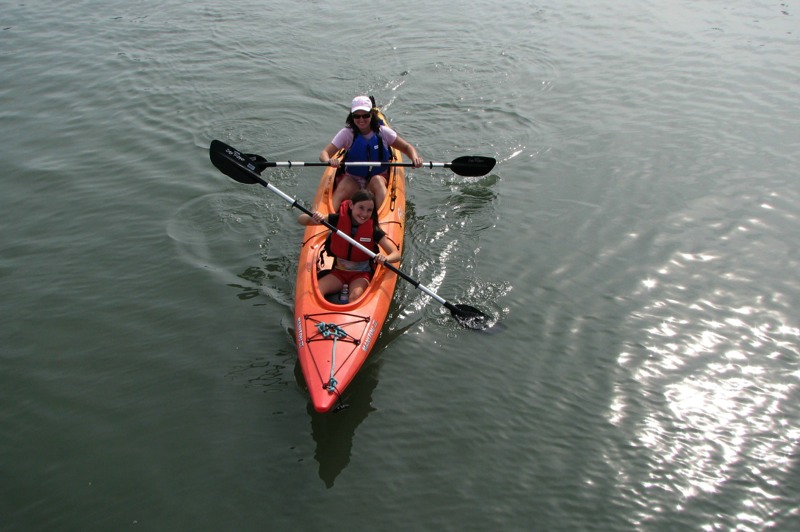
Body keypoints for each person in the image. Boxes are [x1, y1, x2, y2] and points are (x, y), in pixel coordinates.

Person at [320, 95, 423, 210]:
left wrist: (414, 158)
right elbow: (324, 153)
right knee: (345, 183)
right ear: (352, 116)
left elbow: (407, 147)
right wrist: (329, 161)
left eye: (365, 115)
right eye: (357, 116)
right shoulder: (346, 134)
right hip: (354, 180)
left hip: (377, 180)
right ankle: (328, 216)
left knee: (377, 180)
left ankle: (382, 217)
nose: (361, 120)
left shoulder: (384, 132)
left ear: (372, 114)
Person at [298, 189, 401, 302]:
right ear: (351, 205)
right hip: (338, 272)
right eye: (361, 208)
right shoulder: (336, 219)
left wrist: (385, 258)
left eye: (369, 210)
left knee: (355, 297)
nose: (364, 214)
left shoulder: (374, 230)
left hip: (361, 275)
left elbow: (396, 255)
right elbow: (301, 220)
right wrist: (315, 217)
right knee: (317, 291)